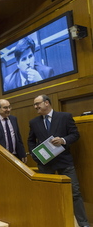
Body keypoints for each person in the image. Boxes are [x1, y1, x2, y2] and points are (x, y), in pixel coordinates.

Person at [28, 95, 90, 227]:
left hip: (65, 162)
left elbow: (75, 134)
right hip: (45, 164)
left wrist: (63, 140)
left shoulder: (65, 117)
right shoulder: (34, 122)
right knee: (47, 194)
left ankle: (83, 223)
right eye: (34, 105)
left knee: (74, 193)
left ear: (47, 103)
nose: (35, 107)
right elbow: (31, 141)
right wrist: (35, 157)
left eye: (37, 104)